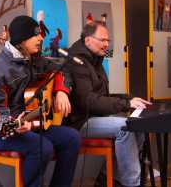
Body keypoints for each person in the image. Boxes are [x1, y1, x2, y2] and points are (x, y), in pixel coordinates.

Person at [0, 15, 81, 187]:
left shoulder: (35, 58)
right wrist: (13, 124)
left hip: (31, 124)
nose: (41, 37)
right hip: (2, 132)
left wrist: (61, 91)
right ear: (21, 39)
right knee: (43, 147)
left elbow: (60, 70)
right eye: (36, 34)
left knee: (72, 138)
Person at [65, 21, 151, 187]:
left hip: (96, 117)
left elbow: (101, 96)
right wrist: (126, 103)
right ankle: (131, 183)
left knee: (138, 126)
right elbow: (87, 101)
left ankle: (111, 178)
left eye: (108, 41)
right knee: (125, 127)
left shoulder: (96, 59)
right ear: (88, 40)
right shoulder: (77, 62)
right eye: (102, 40)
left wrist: (129, 98)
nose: (106, 44)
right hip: (80, 121)